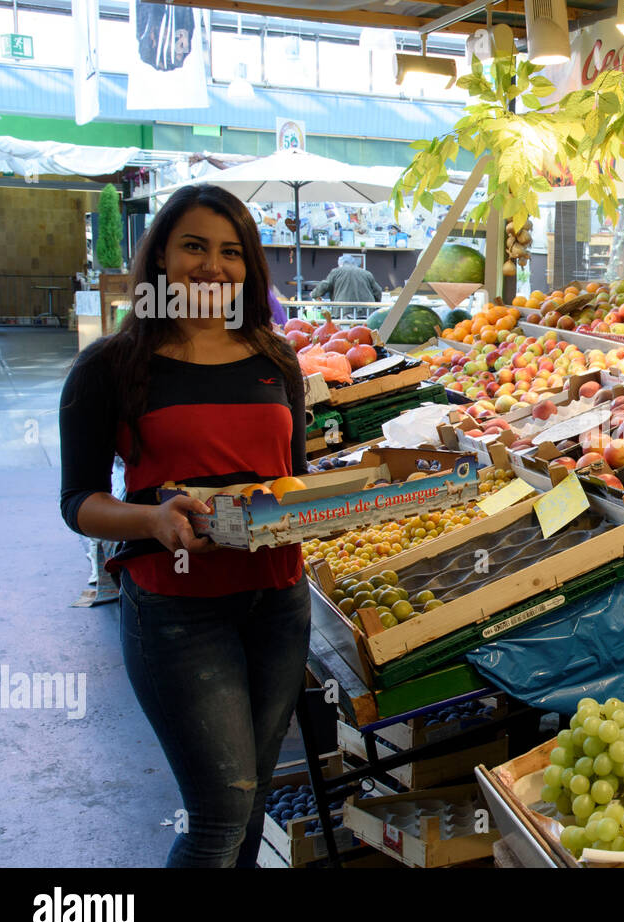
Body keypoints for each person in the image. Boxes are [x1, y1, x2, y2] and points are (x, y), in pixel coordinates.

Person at [59, 184, 310, 868]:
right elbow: (77, 500)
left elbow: (294, 478)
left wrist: (342, 504)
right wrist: (153, 518)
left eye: (231, 251)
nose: (213, 265)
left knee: (252, 803)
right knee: (219, 815)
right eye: (194, 246)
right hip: (177, 612)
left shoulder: (275, 359)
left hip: (280, 603)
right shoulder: (113, 365)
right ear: (161, 257)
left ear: (248, 267)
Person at [310, 253, 383, 320]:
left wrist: (314, 294)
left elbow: (325, 285)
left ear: (340, 264)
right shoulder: (366, 273)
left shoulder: (336, 272)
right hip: (366, 312)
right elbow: (378, 291)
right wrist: (375, 306)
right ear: (354, 263)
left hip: (343, 311)